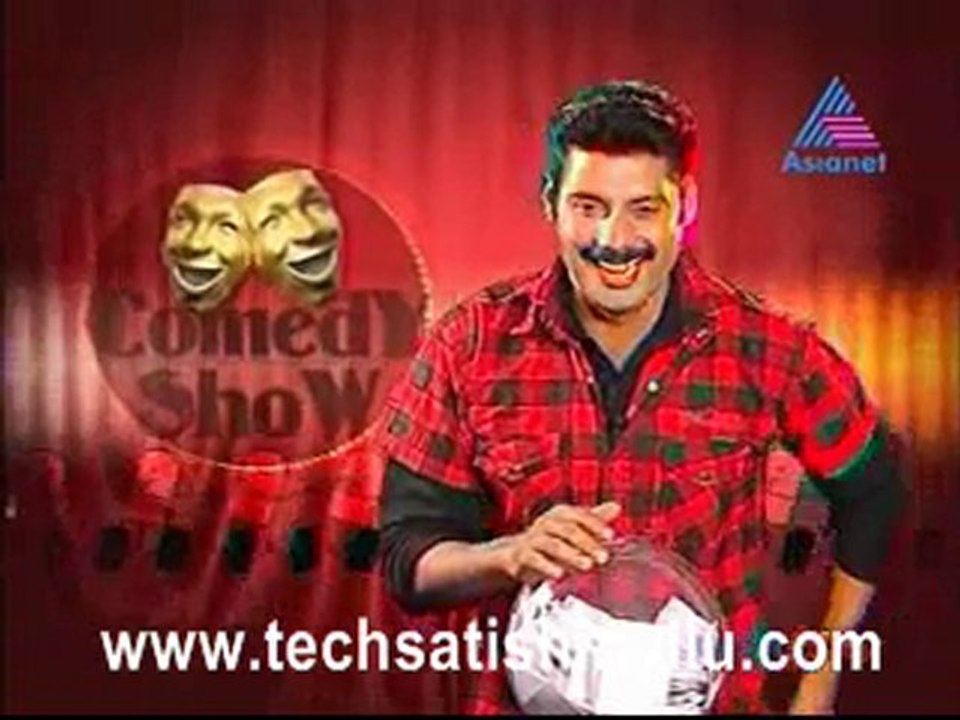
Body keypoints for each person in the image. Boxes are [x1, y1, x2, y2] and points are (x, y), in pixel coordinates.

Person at [376, 80, 905, 714]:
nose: (615, 238)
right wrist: (508, 555)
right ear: (550, 203)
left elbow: (873, 488)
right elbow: (407, 561)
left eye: (643, 209)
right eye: (588, 206)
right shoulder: (471, 342)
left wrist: (820, 678)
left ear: (685, 206)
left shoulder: (769, 346)